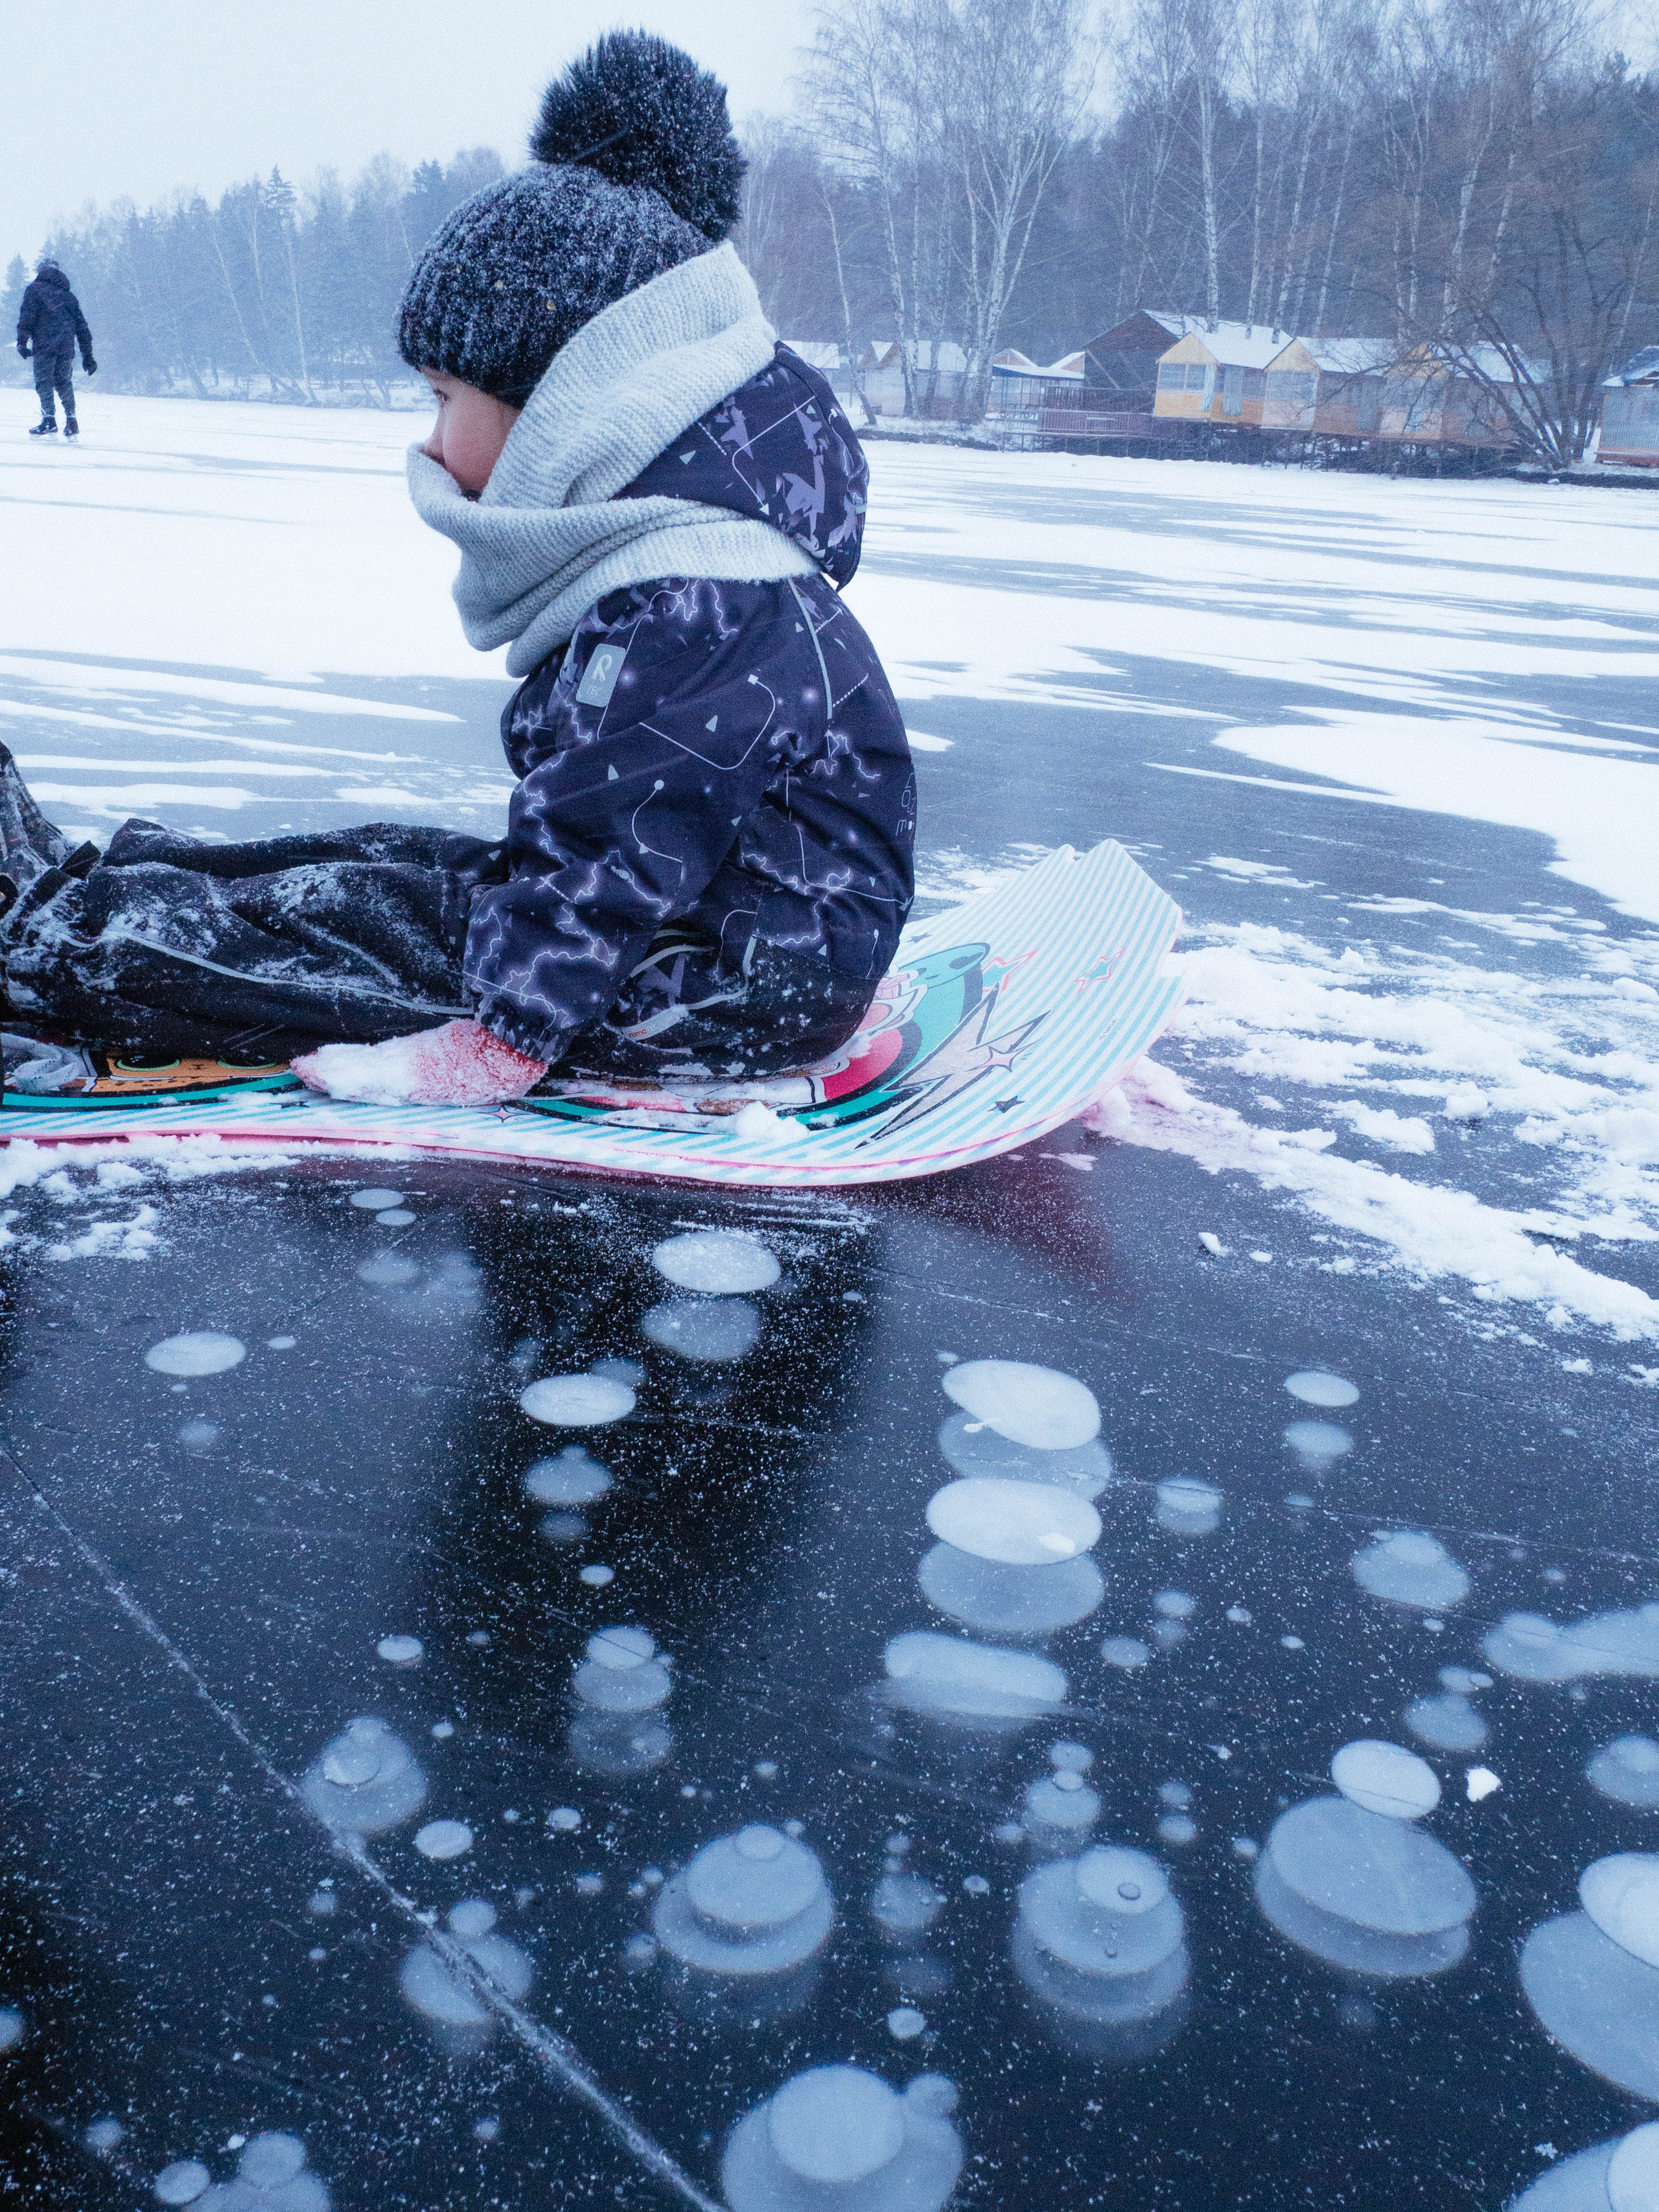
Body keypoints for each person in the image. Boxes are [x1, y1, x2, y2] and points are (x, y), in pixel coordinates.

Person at [0, 34, 914, 1109]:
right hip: (718, 944)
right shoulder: (693, 560)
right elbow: (601, 834)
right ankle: (85, 883)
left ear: (572, 399)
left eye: (445, 399)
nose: (431, 441)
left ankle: (43, 939)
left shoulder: (705, 592)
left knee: (354, 932)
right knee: (386, 862)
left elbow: (614, 849)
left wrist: (495, 1044)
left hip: (714, 987)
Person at [16, 258, 95, 439]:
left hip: (45, 345)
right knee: (64, 382)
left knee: (44, 382)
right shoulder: (69, 297)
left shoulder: (35, 291)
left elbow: (27, 317)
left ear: (41, 271)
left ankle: (49, 421)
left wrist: (22, 342)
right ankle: (72, 421)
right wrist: (88, 355)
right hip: (66, 348)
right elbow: (82, 327)